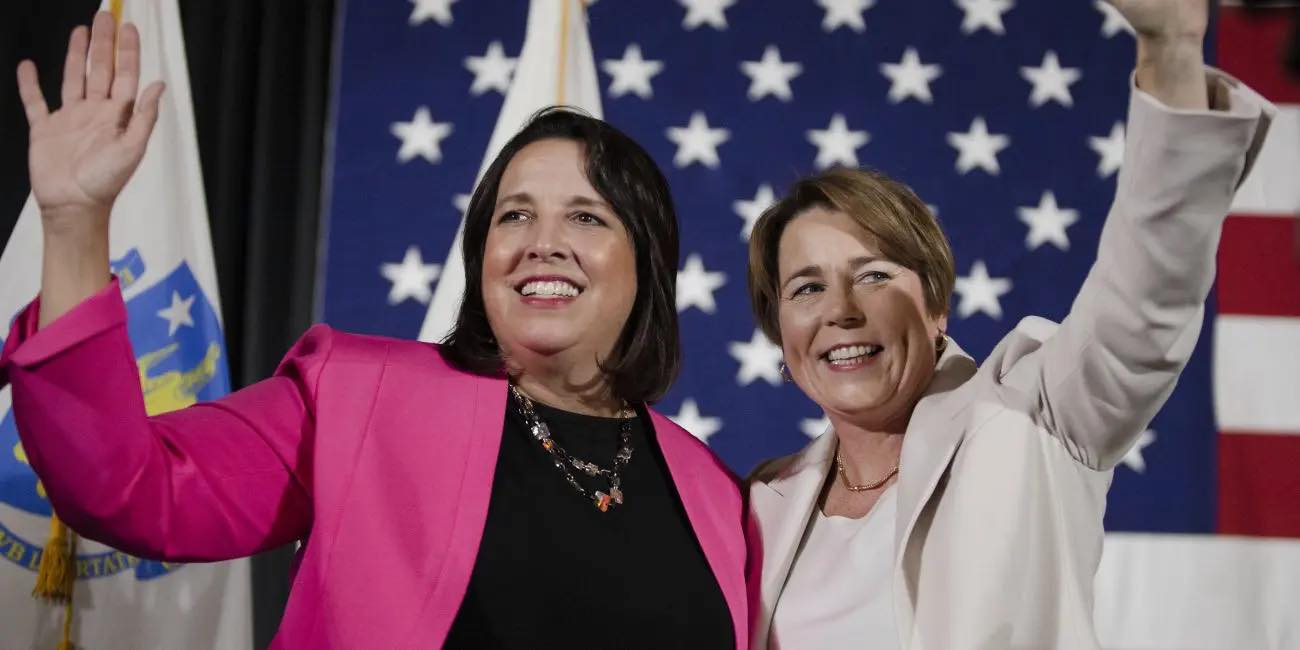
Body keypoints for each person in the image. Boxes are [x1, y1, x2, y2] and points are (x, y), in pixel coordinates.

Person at [4, 12, 746, 648]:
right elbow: (127, 487)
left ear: (647, 261)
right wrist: (74, 226)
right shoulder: (357, 397)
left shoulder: (711, 488)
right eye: (513, 214)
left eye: (586, 216)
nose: (540, 241)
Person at [741, 1, 1274, 648]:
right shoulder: (762, 505)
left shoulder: (1032, 419)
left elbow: (1149, 290)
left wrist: (1170, 45)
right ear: (781, 335)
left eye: (875, 275)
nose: (841, 310)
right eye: (807, 287)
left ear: (936, 306)